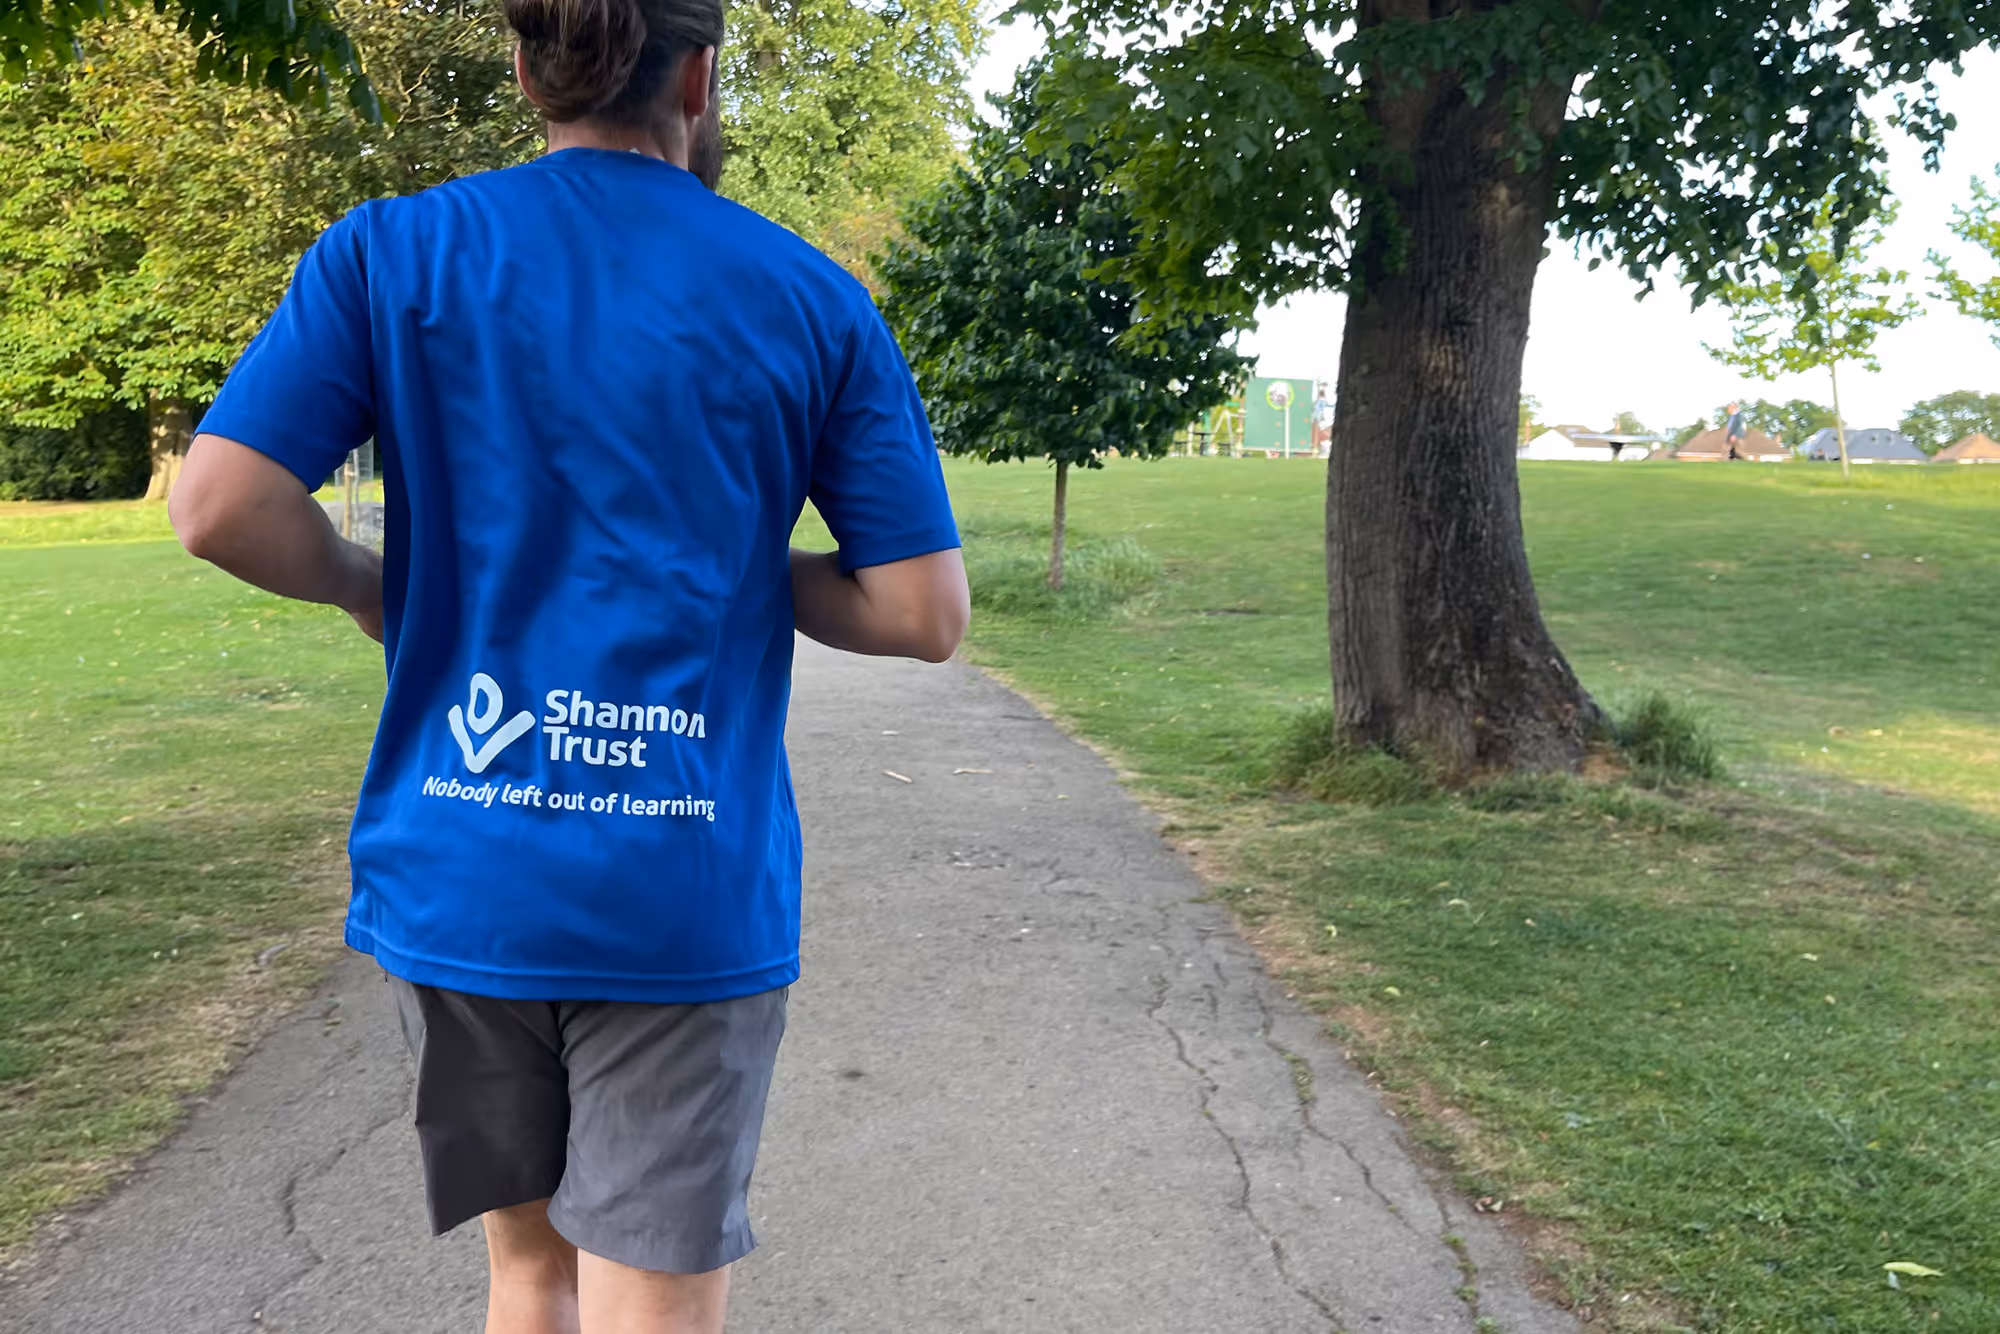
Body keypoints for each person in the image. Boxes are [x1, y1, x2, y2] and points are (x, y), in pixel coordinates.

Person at [168, 0, 970, 1327]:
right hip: (679, 882)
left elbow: (218, 506)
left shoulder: (391, 252)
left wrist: (377, 586)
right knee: (647, 1297)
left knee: (529, 1273)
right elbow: (920, 610)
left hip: (466, 863)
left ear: (528, 68)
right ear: (699, 78)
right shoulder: (808, 295)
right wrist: (733, 562)